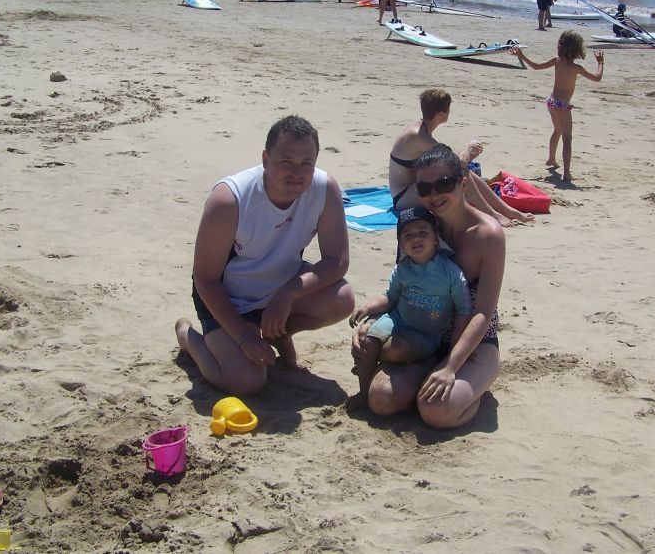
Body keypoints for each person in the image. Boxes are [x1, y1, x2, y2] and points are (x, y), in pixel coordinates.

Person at [174, 116, 355, 395]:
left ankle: (277, 331)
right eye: (286, 162)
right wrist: (244, 336)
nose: (296, 172)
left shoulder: (324, 189)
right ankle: (190, 339)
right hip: (229, 298)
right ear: (265, 160)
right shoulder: (230, 200)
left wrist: (287, 295)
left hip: (280, 284)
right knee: (247, 382)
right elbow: (205, 279)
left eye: (306, 164)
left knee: (342, 298)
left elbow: (337, 261)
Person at [355, 145, 504, 429]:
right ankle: (428, 377)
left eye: (444, 184)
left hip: (473, 343)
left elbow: (483, 312)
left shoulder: (488, 235)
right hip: (421, 334)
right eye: (424, 188)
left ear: (463, 184)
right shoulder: (419, 225)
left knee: (437, 411)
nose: (434, 195)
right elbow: (402, 286)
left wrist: (450, 365)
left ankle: (475, 390)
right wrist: (371, 324)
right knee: (381, 399)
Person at [349, 206, 471, 402]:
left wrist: (453, 351)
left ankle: (371, 364)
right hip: (397, 321)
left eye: (423, 232)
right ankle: (363, 392)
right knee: (366, 342)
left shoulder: (451, 272)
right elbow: (390, 297)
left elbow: (464, 309)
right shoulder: (402, 269)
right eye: (408, 235)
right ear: (401, 244)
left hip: (426, 335)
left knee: (394, 350)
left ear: (436, 238)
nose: (416, 239)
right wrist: (367, 308)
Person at [389, 89, 534, 226]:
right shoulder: (418, 135)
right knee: (460, 172)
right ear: (441, 113)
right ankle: (493, 214)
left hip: (417, 188)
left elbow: (450, 159)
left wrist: (466, 155)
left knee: (464, 171)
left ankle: (507, 211)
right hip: (403, 198)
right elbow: (457, 162)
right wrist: (468, 149)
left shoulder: (421, 128)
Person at [511, 32, 604, 178]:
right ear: (577, 50)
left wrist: (522, 56)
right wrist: (600, 62)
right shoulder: (576, 68)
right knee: (567, 138)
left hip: (552, 102)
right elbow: (597, 78)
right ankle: (566, 173)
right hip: (562, 106)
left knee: (557, 130)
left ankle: (551, 159)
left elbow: (536, 66)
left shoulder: (557, 61)